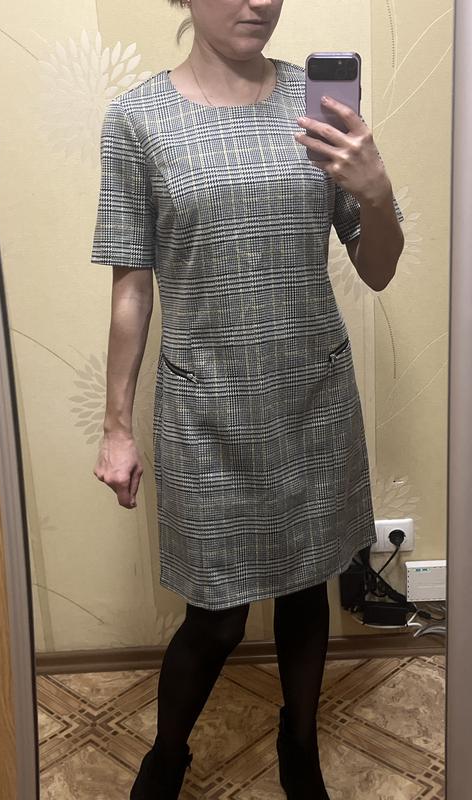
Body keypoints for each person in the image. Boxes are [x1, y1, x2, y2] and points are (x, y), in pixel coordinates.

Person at [91, 0, 405, 797]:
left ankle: (298, 744)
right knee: (217, 617)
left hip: (313, 399)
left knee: (308, 586)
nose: (257, 1)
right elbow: (132, 286)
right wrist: (116, 426)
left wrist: (375, 194)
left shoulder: (319, 105)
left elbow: (377, 270)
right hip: (206, 412)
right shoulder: (137, 120)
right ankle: (169, 755)